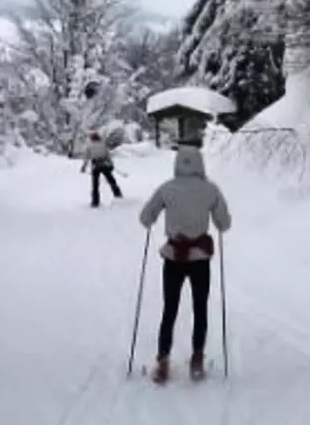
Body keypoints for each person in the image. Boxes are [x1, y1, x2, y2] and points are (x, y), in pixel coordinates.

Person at [139, 144, 231, 383]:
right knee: (200, 309)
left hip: (174, 257)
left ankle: (162, 361)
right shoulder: (210, 190)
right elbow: (224, 223)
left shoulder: (166, 189)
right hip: (200, 258)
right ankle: (197, 360)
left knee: (169, 310)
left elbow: (145, 217)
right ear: (200, 163)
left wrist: (155, 219)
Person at [80, 130, 122, 207]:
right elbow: (108, 155)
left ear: (91, 138)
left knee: (95, 184)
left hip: (95, 166)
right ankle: (118, 194)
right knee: (111, 180)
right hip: (104, 164)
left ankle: (95, 202)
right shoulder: (103, 145)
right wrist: (111, 164)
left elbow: (86, 158)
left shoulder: (89, 146)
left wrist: (83, 167)